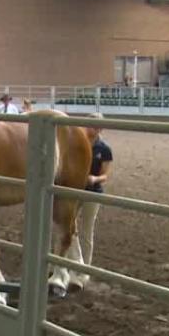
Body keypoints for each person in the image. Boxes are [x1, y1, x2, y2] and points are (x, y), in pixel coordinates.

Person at [76, 114, 113, 288]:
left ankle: (85, 269)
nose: (91, 128)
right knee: (68, 228)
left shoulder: (104, 149)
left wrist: (94, 179)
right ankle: (62, 264)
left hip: (92, 191)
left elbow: (105, 175)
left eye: (94, 126)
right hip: (75, 190)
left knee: (86, 231)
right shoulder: (76, 143)